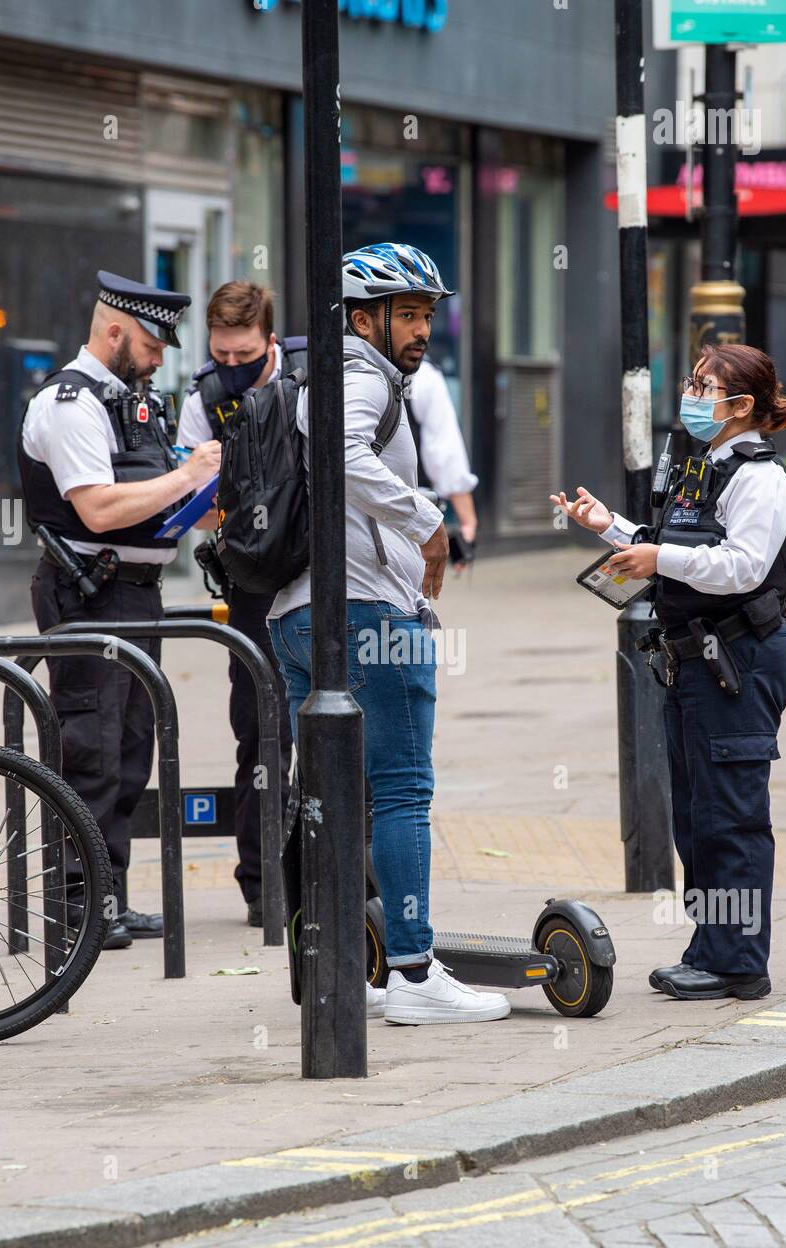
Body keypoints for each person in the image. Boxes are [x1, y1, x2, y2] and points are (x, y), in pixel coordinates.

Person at [268, 242, 510, 1024]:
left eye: (428, 314)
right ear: (362, 316)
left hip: (296, 616)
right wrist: (427, 519)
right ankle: (410, 971)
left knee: (341, 798)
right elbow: (344, 460)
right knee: (403, 790)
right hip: (368, 613)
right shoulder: (360, 376)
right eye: (407, 313)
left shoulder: (317, 376)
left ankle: (344, 963)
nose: (421, 329)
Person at [556, 344, 786, 1001]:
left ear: (741, 405)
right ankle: (711, 949)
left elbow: (742, 566)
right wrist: (612, 528)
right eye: (692, 382)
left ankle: (740, 962)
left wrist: (658, 557)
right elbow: (680, 545)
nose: (691, 395)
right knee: (696, 815)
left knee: (732, 815)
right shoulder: (703, 468)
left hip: (738, 660)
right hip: (694, 660)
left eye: (704, 385)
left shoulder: (760, 479)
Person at [19, 271, 221, 949]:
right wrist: (187, 475)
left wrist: (205, 490)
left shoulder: (133, 402)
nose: (162, 356)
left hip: (134, 595)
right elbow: (98, 507)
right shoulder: (71, 403)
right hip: (89, 593)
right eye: (153, 342)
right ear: (115, 332)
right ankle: (75, 908)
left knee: (131, 754)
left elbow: (157, 498)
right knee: (92, 751)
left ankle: (109, 900)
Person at [176, 281, 296, 928]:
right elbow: (195, 511)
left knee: (341, 725)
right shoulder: (206, 396)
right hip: (251, 584)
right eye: (221, 355)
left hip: (320, 578)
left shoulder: (309, 376)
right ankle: (262, 885)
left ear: (269, 341)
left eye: (243, 354)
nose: (231, 366)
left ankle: (339, 873)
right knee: (259, 731)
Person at [406, 357, 478, 556]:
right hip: (408, 508)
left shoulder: (344, 363)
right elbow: (444, 451)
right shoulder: (423, 376)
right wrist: (468, 522)